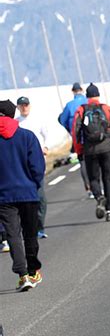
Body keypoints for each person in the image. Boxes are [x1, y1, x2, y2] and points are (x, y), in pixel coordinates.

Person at [0, 99, 45, 292]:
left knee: (13, 235)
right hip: (28, 192)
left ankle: (22, 275)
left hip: (3, 196)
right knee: (30, 233)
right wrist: (34, 185)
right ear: (12, 114)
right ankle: (34, 271)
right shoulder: (27, 136)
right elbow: (38, 167)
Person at [72, 84, 110, 223]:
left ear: (87, 96)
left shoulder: (81, 110)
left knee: (94, 179)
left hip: (90, 150)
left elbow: (75, 132)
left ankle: (99, 197)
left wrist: (79, 151)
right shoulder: (106, 109)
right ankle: (109, 211)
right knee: (107, 178)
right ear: (98, 95)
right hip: (107, 148)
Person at [16, 96, 50, 239]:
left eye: (26, 105)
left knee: (40, 196)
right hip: (22, 165)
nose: (24, 107)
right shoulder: (16, 122)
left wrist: (46, 146)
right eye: (21, 105)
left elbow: (46, 134)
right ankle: (27, 228)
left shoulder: (38, 119)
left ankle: (40, 227)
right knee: (25, 199)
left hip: (37, 163)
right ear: (18, 107)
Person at [58, 82, 92, 197]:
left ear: (73, 91)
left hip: (77, 138)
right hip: (92, 137)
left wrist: (71, 130)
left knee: (83, 162)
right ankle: (97, 185)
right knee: (94, 161)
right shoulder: (88, 102)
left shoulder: (69, 105)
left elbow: (62, 119)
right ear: (82, 90)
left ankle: (88, 188)